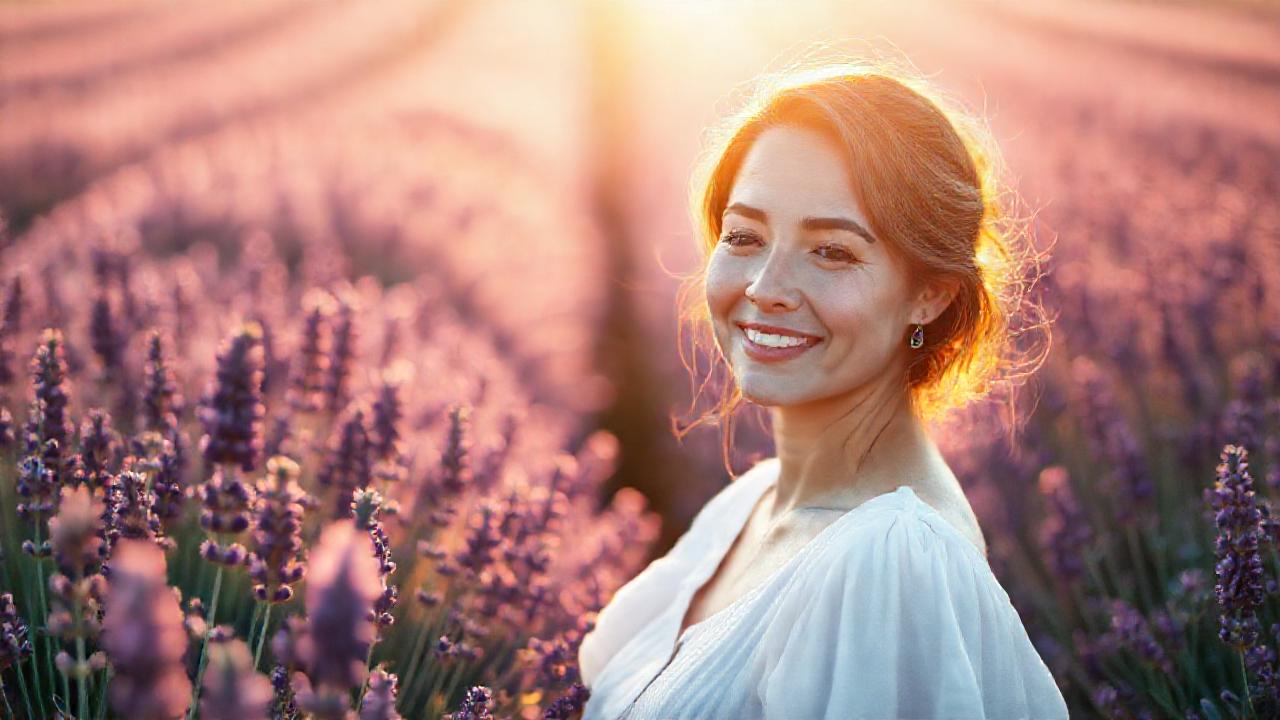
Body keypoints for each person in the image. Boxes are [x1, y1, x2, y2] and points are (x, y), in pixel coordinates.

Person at [576, 57, 1068, 720]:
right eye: (745, 236)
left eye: (831, 251)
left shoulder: (891, 564)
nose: (764, 289)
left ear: (929, 293)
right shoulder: (753, 501)